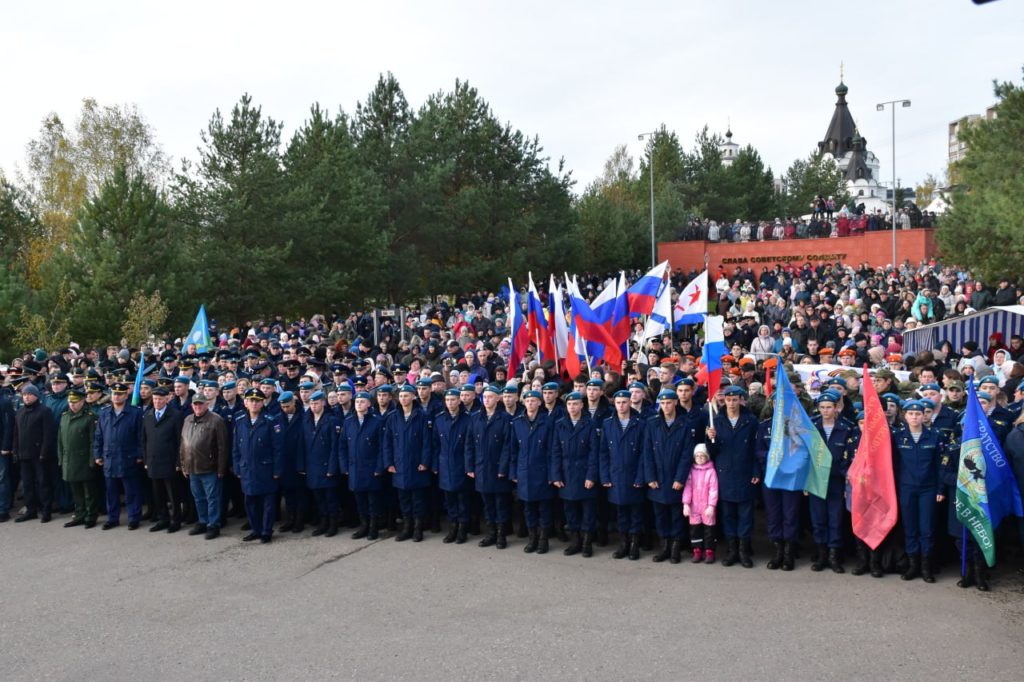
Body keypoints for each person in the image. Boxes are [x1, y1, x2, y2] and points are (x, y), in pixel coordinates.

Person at [893, 400, 953, 583]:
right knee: (910, 527)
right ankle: (913, 565)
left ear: (924, 416)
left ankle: (926, 566)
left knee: (926, 529)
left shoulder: (935, 436)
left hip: (929, 488)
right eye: (911, 414)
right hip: (906, 487)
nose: (915, 417)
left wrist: (941, 488)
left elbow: (940, 465)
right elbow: (894, 465)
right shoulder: (897, 436)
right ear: (905, 416)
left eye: (918, 414)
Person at [705, 385, 759, 568]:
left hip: (745, 473)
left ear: (741, 400)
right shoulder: (716, 421)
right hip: (725, 474)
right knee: (728, 515)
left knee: (745, 515)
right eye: (728, 399)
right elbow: (712, 452)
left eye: (735, 399)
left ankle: (743, 551)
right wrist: (709, 438)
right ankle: (731, 550)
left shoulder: (750, 421)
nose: (732, 403)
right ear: (724, 400)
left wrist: (755, 471)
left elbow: (756, 449)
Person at [644, 389, 698, 564]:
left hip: (675, 479)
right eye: (662, 403)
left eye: (669, 402)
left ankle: (675, 548)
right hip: (657, 479)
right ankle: (664, 547)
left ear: (675, 403)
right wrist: (650, 477)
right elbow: (647, 453)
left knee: (676, 516)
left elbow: (686, 454)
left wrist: (680, 478)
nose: (665, 406)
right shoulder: (652, 424)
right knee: (660, 516)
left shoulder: (685, 424)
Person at [809, 390, 858, 573]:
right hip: (816, 480)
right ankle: (821, 555)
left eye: (829, 407)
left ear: (836, 408)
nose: (825, 411)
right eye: (822, 407)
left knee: (835, 519)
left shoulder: (846, 427)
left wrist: (847, 480)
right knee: (818, 519)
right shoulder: (812, 426)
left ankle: (834, 556)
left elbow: (850, 456)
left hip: (837, 480)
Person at [550, 392, 599, 558]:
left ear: (581, 405)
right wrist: (556, 475)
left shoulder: (590, 424)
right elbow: (555, 452)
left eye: (576, 404)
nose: (572, 407)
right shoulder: (560, 424)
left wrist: (591, 476)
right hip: (566, 473)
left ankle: (586, 542)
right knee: (570, 510)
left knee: (588, 511)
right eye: (570, 404)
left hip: (584, 472)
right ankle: (575, 541)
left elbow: (594, 453)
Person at [599, 390, 646, 560]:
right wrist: (605, 476)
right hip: (616, 475)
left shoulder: (640, 423)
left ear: (629, 403)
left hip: (634, 475)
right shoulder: (608, 423)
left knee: (635, 513)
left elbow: (644, 454)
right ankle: (623, 544)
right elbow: (603, 452)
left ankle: (634, 545)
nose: (621, 406)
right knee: (621, 513)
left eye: (624, 402)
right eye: (618, 402)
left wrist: (641, 476)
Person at [466, 383, 514, 549]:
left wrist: (503, 468)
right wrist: (470, 466)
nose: (487, 400)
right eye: (484, 397)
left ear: (498, 398)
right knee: (487, 503)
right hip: (481, 467)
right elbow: (469, 444)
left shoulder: (506, 419)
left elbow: (508, 446)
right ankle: (491, 533)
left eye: (490, 397)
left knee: (500, 503)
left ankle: (501, 535)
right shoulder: (475, 418)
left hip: (498, 468)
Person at [383, 384, 433, 542]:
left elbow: (427, 441)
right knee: (403, 499)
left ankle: (418, 529)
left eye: (407, 395)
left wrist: (425, 461)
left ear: (413, 397)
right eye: (401, 396)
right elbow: (387, 442)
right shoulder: (393, 416)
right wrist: (389, 462)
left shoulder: (422, 416)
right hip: (399, 465)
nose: (404, 399)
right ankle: (407, 528)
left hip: (416, 464)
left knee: (418, 499)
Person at [233, 387, 284, 543]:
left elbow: (278, 448)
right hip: (247, 468)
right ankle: (255, 529)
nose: (254, 404)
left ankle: (266, 531)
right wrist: (237, 466)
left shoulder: (271, 420)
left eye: (258, 401)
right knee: (250, 502)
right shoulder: (240, 420)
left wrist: (277, 470)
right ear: (245, 402)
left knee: (267, 502)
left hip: (265, 468)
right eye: (251, 401)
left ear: (262, 403)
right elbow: (236, 447)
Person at [179, 391, 230, 540]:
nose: (198, 406)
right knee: (198, 498)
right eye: (195, 404)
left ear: (207, 404)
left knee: (212, 498)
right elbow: (183, 444)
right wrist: (183, 465)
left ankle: (213, 525)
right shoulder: (187, 419)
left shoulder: (216, 420)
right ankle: (203, 521)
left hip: (210, 468)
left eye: (201, 403)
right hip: (192, 467)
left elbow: (223, 446)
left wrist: (221, 468)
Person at [93, 383, 144, 530]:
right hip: (109, 457)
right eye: (114, 393)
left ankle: (134, 518)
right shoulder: (104, 412)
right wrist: (97, 454)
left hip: (128, 457)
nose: (116, 396)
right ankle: (113, 518)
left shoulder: (135, 413)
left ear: (126, 395)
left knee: (131, 491)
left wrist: (140, 454)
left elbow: (140, 436)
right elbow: (98, 436)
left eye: (120, 394)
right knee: (111, 492)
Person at [509, 389, 555, 554]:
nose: (530, 403)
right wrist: (513, 472)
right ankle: (532, 538)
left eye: (534, 401)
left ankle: (543, 540)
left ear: (539, 403)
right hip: (524, 472)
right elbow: (513, 450)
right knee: (528, 508)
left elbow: (552, 451)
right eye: (528, 401)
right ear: (524, 403)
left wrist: (552, 474)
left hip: (542, 472)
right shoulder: (517, 422)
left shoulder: (548, 422)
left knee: (543, 508)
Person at [339, 391, 386, 540]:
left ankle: (373, 527)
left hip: (371, 468)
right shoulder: (348, 422)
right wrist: (344, 466)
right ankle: (363, 526)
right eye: (357, 401)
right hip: (354, 468)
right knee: (359, 500)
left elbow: (382, 447)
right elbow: (342, 446)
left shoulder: (377, 421)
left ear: (369, 404)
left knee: (373, 501)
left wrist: (380, 467)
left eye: (362, 401)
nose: (359, 404)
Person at [57, 386, 102, 528]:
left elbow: (93, 441)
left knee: (89, 492)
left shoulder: (90, 417)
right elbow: (60, 440)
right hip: (69, 459)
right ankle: (79, 514)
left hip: (84, 460)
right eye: (70, 401)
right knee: (75, 491)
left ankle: (90, 516)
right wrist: (60, 458)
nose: (72, 404)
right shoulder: (64, 417)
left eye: (75, 401)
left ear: (82, 401)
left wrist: (92, 460)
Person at [433, 387, 473, 544]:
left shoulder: (468, 419)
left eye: (453, 400)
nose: (450, 403)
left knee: (462, 500)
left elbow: (470, 445)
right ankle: (453, 527)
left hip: (461, 464)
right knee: (449, 499)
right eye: (447, 400)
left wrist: (469, 466)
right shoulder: (439, 419)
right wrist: (435, 465)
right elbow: (435, 444)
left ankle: (463, 529)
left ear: (459, 401)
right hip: (445, 465)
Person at [12, 384, 57, 523]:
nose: (26, 397)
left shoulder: (44, 411)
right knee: (27, 485)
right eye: (24, 395)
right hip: (23, 455)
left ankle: (46, 511)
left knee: (42, 483)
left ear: (36, 396)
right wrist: (15, 451)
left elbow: (48, 434)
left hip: (39, 455)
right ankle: (30, 510)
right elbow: (16, 434)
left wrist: (44, 453)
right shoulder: (19, 412)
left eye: (29, 394)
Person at [301, 390, 342, 537]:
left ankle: (333, 524)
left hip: (326, 466)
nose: (313, 406)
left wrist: (332, 467)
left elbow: (334, 446)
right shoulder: (307, 420)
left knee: (330, 498)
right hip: (312, 466)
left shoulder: (332, 420)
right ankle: (323, 523)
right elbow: (302, 445)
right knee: (318, 498)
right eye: (311, 403)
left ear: (323, 403)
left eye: (316, 403)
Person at [142, 387, 183, 533]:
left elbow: (180, 441)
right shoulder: (148, 415)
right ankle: (163, 519)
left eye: (160, 399)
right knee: (158, 494)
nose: (157, 402)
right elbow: (144, 440)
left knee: (173, 494)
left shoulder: (176, 415)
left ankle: (175, 520)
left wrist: (178, 462)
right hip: (153, 461)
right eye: (155, 399)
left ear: (167, 399)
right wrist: (146, 460)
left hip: (170, 461)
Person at [276, 391, 307, 533]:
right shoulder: (277, 419)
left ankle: (299, 521)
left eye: (288, 406)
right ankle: (290, 519)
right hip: (284, 463)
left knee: (300, 494)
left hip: (299, 461)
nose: (285, 409)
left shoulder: (304, 418)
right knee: (288, 494)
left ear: (294, 403)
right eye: (283, 406)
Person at [682, 443, 718, 563]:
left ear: (707, 457)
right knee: (695, 530)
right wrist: (686, 504)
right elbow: (687, 488)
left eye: (702, 455)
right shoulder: (691, 471)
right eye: (697, 456)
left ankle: (709, 552)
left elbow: (713, 490)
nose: (699, 458)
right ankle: (697, 551)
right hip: (694, 506)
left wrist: (711, 506)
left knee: (709, 531)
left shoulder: (711, 471)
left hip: (707, 507)